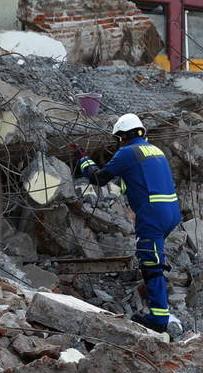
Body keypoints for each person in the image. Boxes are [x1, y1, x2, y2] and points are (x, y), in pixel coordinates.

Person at [76, 113, 181, 331]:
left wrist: (84, 160)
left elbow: (99, 178)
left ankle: (160, 319)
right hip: (171, 211)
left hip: (152, 214)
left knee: (151, 265)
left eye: (118, 138)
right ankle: (157, 306)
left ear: (123, 136)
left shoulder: (128, 152)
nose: (118, 143)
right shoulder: (155, 150)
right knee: (153, 259)